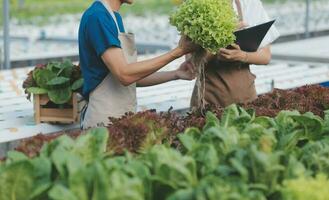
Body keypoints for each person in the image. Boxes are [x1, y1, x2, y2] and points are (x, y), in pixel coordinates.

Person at [79, 0, 196, 129]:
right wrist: (178, 51)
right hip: (103, 122)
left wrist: (175, 74)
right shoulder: (98, 17)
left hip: (119, 117)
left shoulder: (113, 17)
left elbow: (133, 78)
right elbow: (124, 74)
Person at [189, 0, 280, 108]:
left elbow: (266, 56)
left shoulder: (250, 3)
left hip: (246, 96)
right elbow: (192, 65)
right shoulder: (199, 6)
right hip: (209, 99)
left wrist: (242, 56)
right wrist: (221, 39)